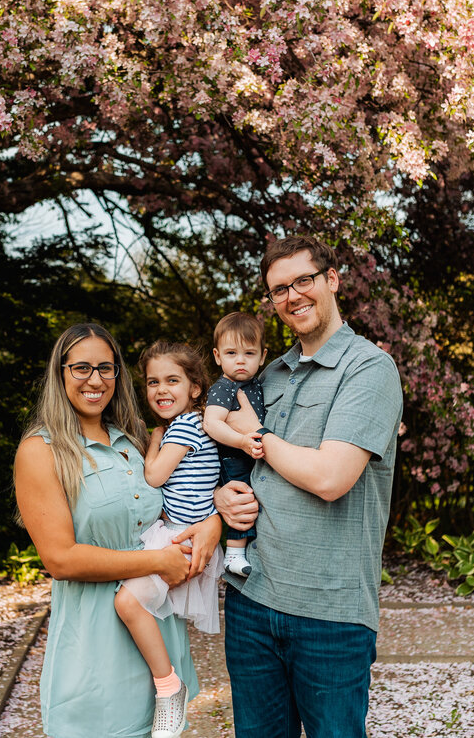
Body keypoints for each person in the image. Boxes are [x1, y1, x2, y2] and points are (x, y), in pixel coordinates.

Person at [213, 236, 404, 738]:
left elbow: (330, 477)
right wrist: (222, 497)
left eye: (303, 281)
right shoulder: (267, 374)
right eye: (280, 289)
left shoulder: (369, 369)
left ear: (332, 280)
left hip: (330, 614)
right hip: (251, 602)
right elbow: (230, 459)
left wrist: (258, 437)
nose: (293, 296)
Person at [14, 324, 222, 738]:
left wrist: (213, 523)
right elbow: (60, 559)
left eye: (106, 368)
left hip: (156, 640)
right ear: (60, 373)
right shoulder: (40, 451)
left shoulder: (132, 439)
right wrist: (158, 561)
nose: (96, 379)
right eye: (82, 368)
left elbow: (184, 497)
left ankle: (170, 687)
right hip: (95, 653)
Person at [114, 341, 226, 738]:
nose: (161, 389)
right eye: (152, 382)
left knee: (127, 602)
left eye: (172, 380)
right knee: (140, 605)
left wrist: (152, 442)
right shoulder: (200, 422)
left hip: (184, 540)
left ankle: (168, 687)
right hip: (183, 531)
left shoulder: (184, 426)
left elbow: (156, 476)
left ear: (195, 387)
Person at [202, 313, 268, 577]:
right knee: (242, 500)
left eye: (249, 353)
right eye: (231, 353)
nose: (240, 360)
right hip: (233, 458)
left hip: (249, 455)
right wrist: (241, 441)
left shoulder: (256, 384)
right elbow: (212, 423)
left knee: (254, 501)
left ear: (263, 357)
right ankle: (233, 554)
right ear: (218, 357)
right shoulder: (224, 387)